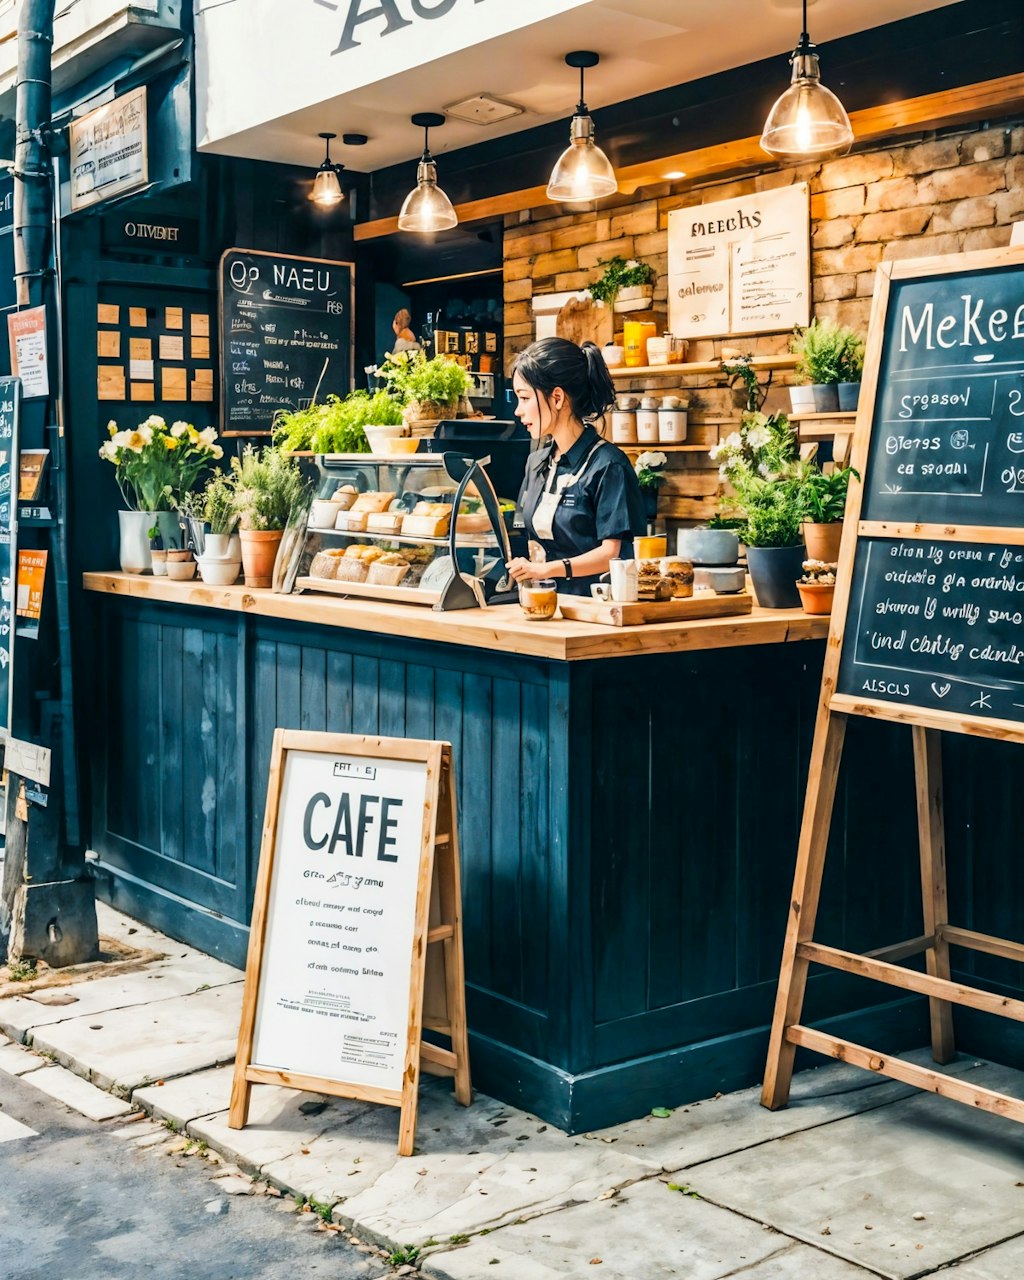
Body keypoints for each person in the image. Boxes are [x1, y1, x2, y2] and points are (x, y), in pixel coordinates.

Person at [507, 336, 646, 597]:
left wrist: (546, 570)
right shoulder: (536, 463)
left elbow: (611, 553)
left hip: (597, 611)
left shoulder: (609, 465)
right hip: (543, 604)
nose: (518, 410)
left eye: (524, 398)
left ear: (557, 398)